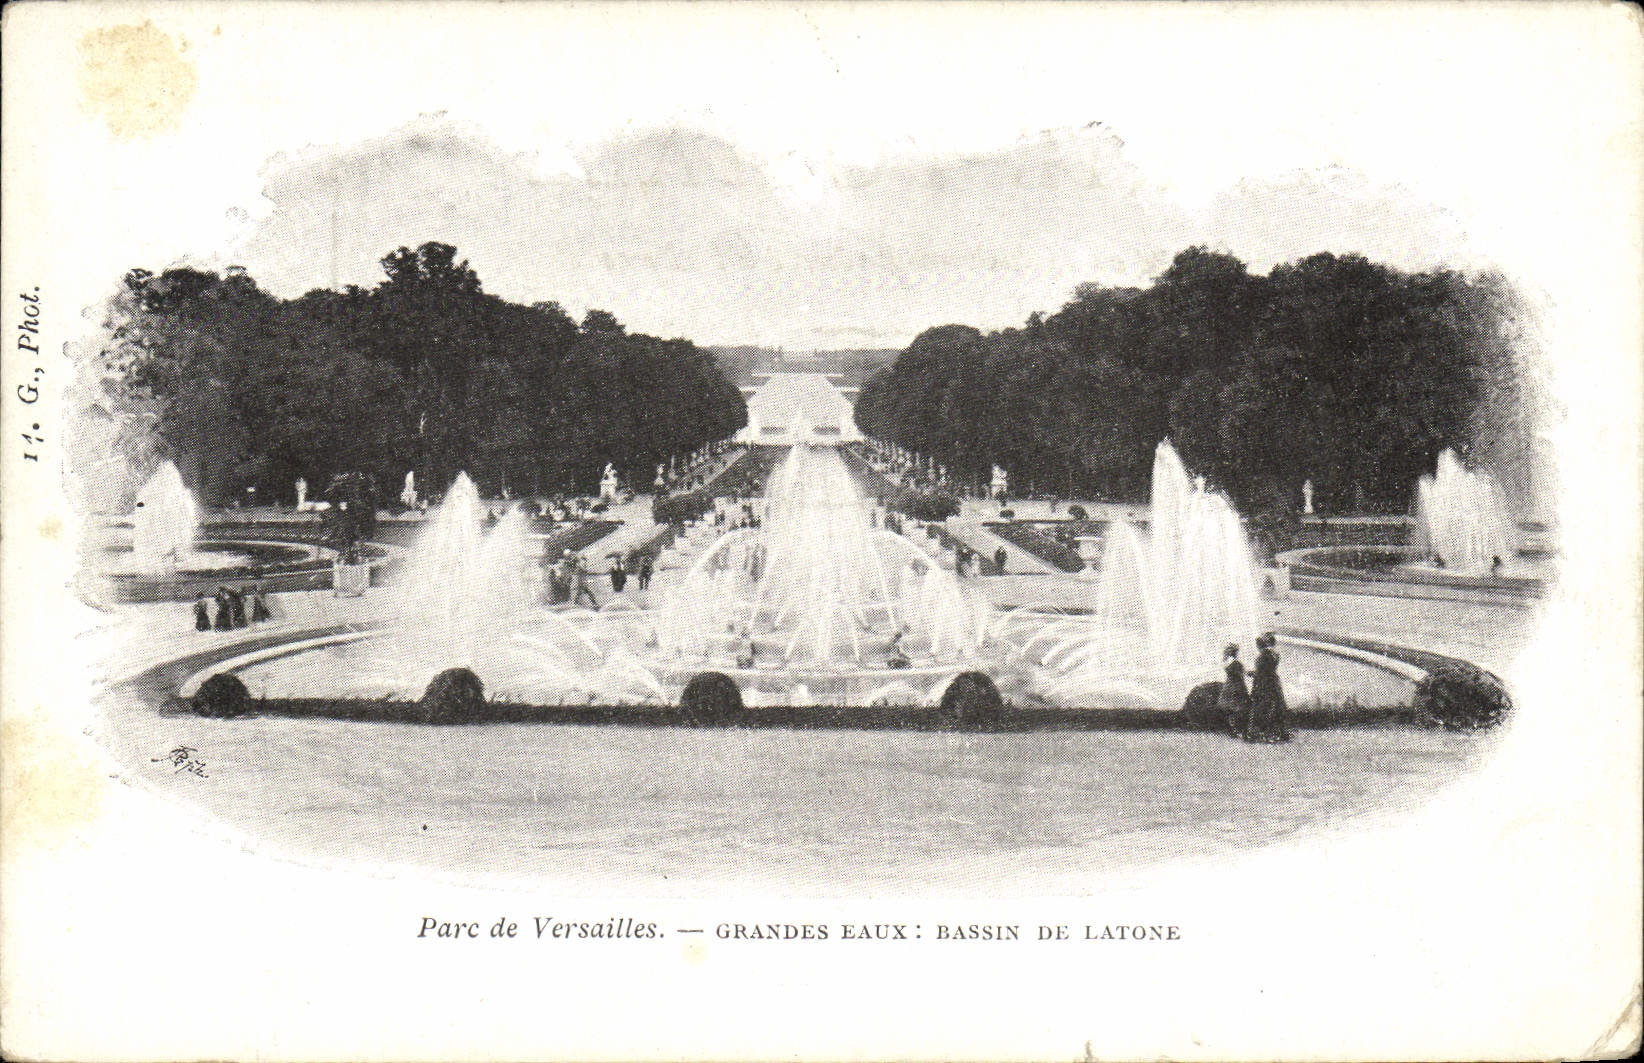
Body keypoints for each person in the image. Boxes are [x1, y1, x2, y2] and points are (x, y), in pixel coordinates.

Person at [1248, 632, 1291, 742]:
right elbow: (1269, 669)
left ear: (1260, 645)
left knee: (1262, 708)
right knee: (1277, 707)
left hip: (1264, 684)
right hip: (1274, 682)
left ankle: (1262, 734)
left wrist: (1251, 674)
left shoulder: (1262, 656)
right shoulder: (1274, 655)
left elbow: (1261, 672)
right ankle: (1281, 733)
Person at [1217, 643, 1252, 738]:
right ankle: (1241, 730)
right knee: (1241, 708)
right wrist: (1250, 673)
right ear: (1235, 653)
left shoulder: (1227, 662)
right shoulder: (1237, 663)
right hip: (1237, 687)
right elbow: (1242, 674)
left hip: (1228, 686)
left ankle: (1232, 730)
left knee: (1229, 709)